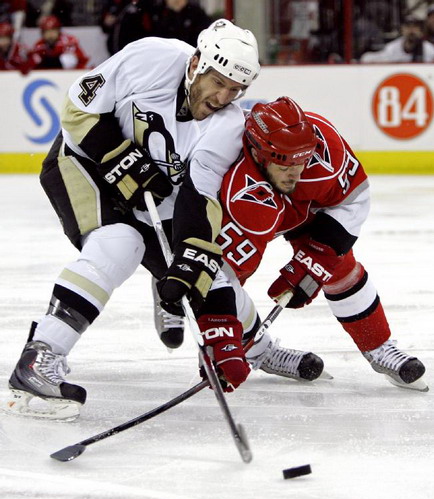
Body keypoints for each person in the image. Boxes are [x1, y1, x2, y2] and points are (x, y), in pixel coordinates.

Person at [6, 18, 261, 421]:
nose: (223, 96)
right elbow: (77, 109)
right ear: (196, 63)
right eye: (218, 82)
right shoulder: (152, 57)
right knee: (121, 243)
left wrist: (192, 253)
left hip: (152, 196)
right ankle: (39, 359)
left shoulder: (228, 123)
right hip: (82, 164)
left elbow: (200, 196)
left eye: (236, 89)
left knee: (210, 272)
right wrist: (118, 156)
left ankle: (262, 345)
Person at [155, 97, 427, 392]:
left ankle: (380, 347)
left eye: (302, 161)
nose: (295, 172)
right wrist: (219, 335)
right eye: (285, 164)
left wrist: (318, 255)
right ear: (259, 154)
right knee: (224, 277)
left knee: (340, 264)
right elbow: (216, 270)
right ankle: (257, 349)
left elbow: (354, 199)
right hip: (236, 212)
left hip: (303, 206)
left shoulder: (326, 150)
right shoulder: (235, 181)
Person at [361, 16, 434, 63]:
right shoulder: (392, 48)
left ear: (421, 31)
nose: (411, 31)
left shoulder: (429, 49)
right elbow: (366, 58)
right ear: (402, 30)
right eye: (408, 27)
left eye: (415, 27)